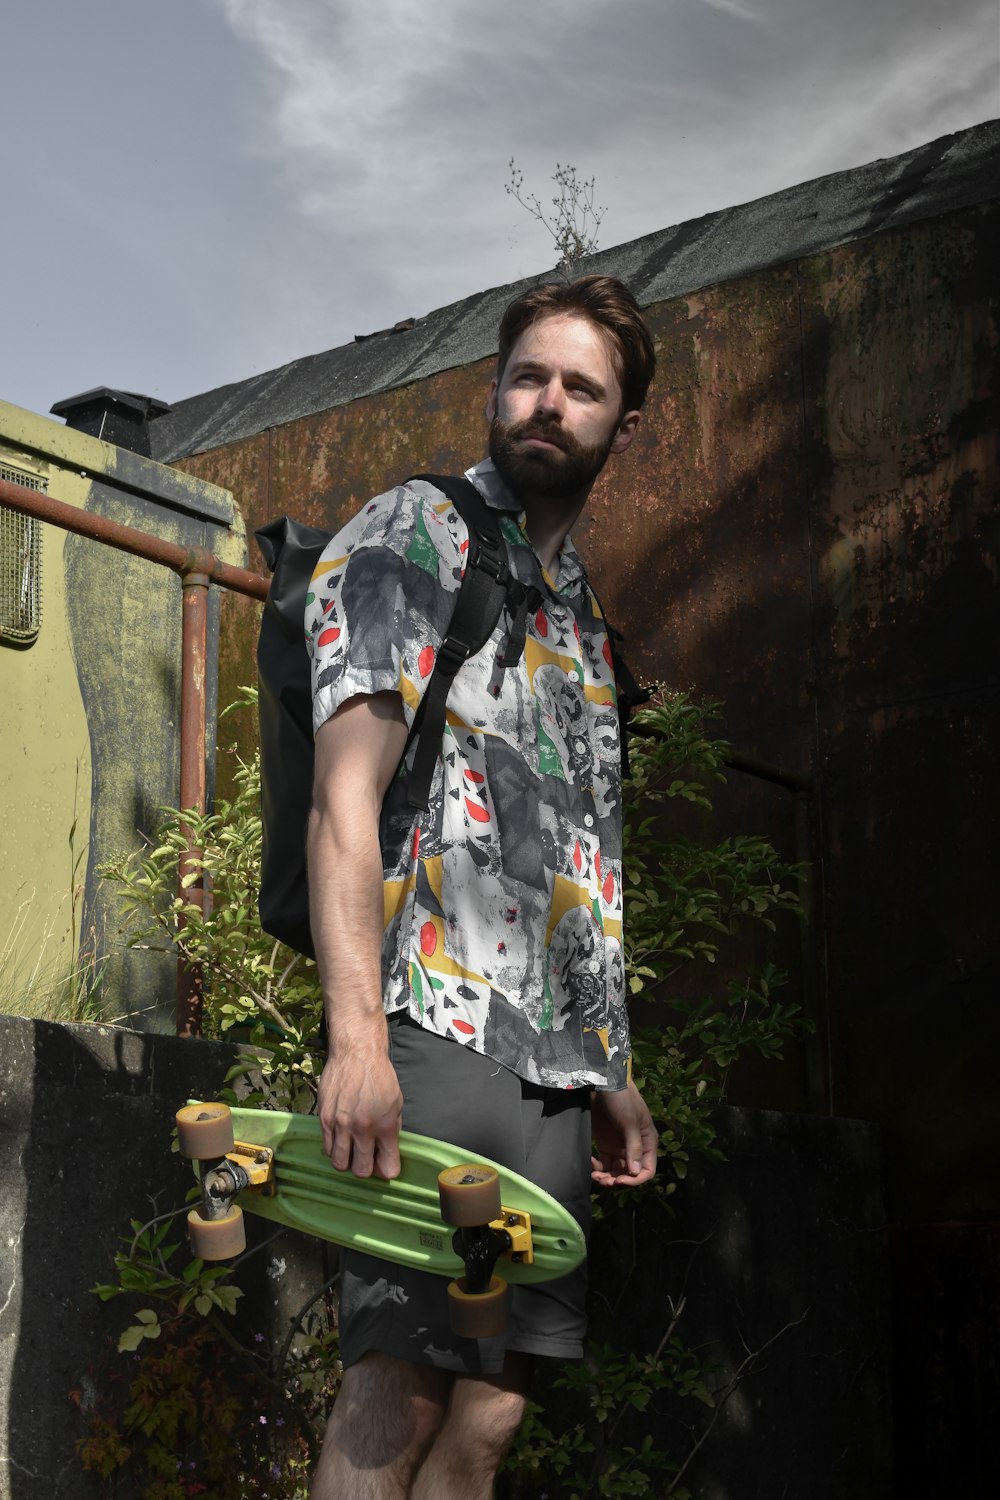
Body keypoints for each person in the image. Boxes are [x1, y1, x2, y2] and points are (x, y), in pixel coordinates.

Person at [304, 275, 658, 1499]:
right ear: (495, 389)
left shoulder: (582, 614)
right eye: (528, 376)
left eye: (581, 387)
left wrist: (610, 1070)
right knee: (400, 1381)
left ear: (622, 422)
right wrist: (358, 1043)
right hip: (434, 1023)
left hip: (554, 1069)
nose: (548, 402)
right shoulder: (421, 529)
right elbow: (343, 797)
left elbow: (571, 863)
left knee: (494, 1412)